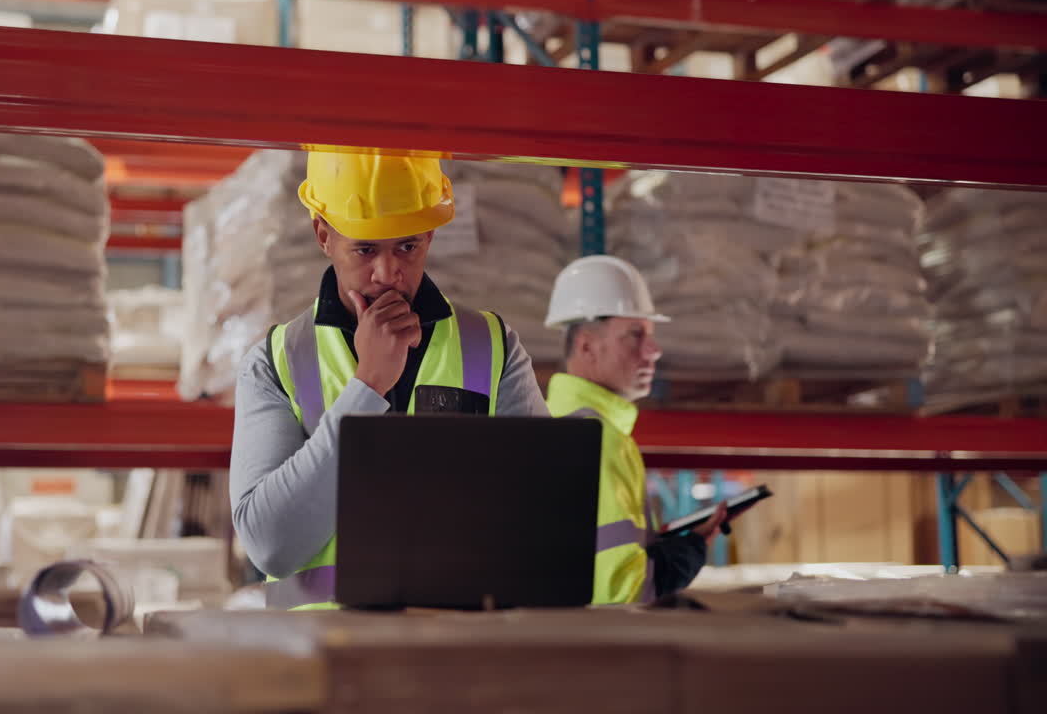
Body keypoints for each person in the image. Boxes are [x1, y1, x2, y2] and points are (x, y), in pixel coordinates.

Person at [230, 151, 549, 610]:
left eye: (407, 246)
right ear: (323, 235)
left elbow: (544, 522)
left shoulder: (493, 346)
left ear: (430, 236)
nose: (388, 274)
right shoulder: (275, 362)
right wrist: (367, 387)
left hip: (459, 658)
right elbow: (272, 547)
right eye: (365, 249)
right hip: (325, 662)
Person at [544, 255, 730, 604]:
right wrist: (685, 556)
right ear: (586, 346)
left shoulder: (558, 421)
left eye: (651, 335)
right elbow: (624, 597)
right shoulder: (597, 440)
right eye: (635, 334)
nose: (654, 351)